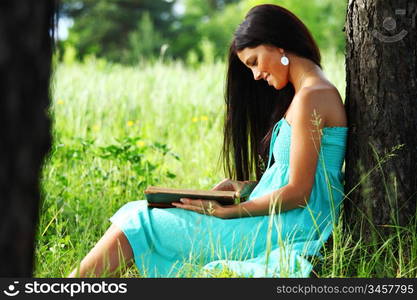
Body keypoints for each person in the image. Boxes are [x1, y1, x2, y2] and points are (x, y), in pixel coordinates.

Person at [68, 4, 348, 278]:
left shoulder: (313, 96)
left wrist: (231, 213)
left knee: (140, 221)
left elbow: (300, 192)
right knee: (137, 214)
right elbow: (300, 175)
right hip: (279, 219)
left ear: (278, 45)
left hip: (287, 227)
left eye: (253, 62)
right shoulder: (308, 94)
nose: (256, 75)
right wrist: (246, 188)